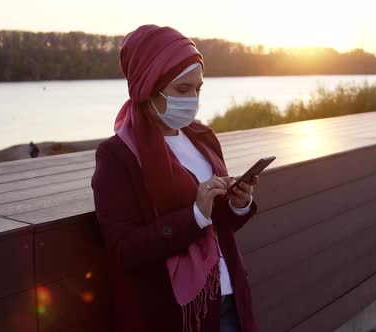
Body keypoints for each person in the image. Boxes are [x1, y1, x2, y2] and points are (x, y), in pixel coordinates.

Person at [91, 24, 260, 332]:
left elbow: (218, 225)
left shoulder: (203, 138)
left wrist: (238, 203)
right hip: (178, 313)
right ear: (148, 87)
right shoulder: (117, 156)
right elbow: (123, 250)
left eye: (198, 89)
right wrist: (194, 216)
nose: (193, 99)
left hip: (230, 293)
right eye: (183, 90)